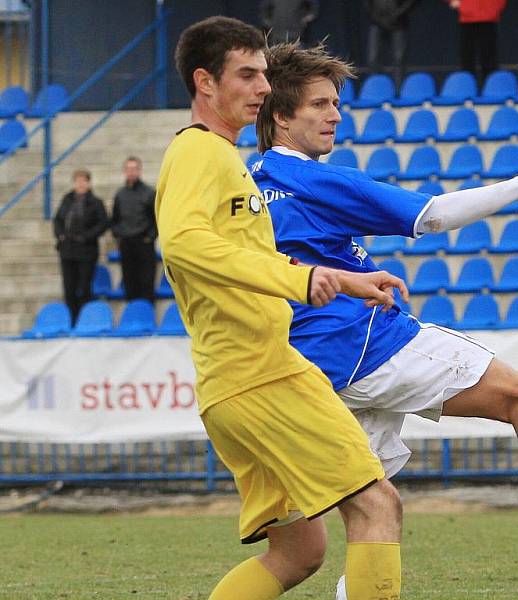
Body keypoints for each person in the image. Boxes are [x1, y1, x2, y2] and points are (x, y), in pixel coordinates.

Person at [252, 42, 518, 596]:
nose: (335, 115)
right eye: (320, 105)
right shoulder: (314, 179)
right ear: (281, 115)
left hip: (311, 369)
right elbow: (434, 215)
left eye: (336, 103)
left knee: (370, 518)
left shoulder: (249, 182)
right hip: (367, 342)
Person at [156, 17, 410, 600]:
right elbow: (186, 244)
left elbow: (239, 257)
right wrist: (303, 279)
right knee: (376, 505)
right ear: (205, 82)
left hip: (231, 381)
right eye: (246, 74)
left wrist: (341, 280)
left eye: (264, 74)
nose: (263, 88)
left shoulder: (221, 158)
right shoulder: (202, 152)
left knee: (300, 551)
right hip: (261, 372)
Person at [53, 169, 109, 325]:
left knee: (85, 288)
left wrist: (86, 236)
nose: (80, 184)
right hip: (67, 251)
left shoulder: (96, 202)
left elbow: (103, 223)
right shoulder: (67, 199)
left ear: (89, 183)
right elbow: (57, 220)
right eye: (78, 180)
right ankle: (71, 320)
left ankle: (85, 320)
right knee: (69, 288)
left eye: (84, 180)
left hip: (86, 251)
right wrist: (60, 235)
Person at [111, 156, 157, 303]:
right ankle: (131, 319)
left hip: (144, 244)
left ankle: (146, 319)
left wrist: (149, 237)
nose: (131, 172)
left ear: (140, 171)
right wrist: (119, 235)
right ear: (125, 171)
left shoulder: (149, 192)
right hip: (126, 244)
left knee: (146, 284)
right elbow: (115, 219)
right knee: (129, 284)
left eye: (134, 169)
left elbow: (156, 219)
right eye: (128, 169)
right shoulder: (120, 194)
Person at [447, 0, 506, 82]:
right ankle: (467, 90)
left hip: (489, 16)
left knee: (489, 61)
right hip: (468, 17)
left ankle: (491, 91)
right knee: (467, 60)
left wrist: (497, 7)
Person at [365, 0, 419, 87]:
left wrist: (397, 14)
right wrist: (375, 17)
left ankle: (398, 91)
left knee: (399, 60)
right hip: (376, 22)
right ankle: (376, 89)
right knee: (373, 59)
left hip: (398, 23)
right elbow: (367, 4)